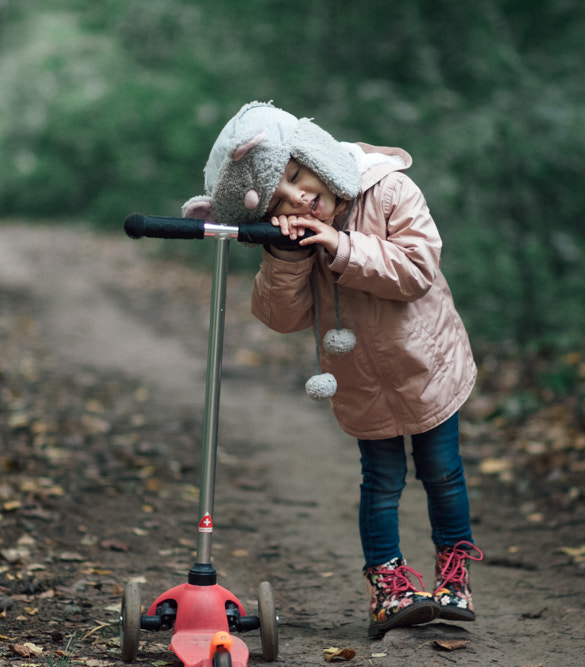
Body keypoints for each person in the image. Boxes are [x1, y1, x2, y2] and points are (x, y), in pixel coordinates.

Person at [182, 101, 482, 639]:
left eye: (297, 177)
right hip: (363, 381)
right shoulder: (294, 239)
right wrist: (288, 257)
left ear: (314, 155)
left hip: (427, 365)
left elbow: (417, 269)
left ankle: (453, 574)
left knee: (442, 471)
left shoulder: (389, 191)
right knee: (382, 481)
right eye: (279, 199)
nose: (299, 198)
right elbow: (281, 316)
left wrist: (342, 247)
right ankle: (389, 586)